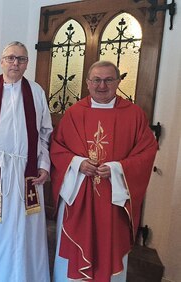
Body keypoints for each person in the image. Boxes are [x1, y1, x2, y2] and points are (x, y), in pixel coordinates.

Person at [51, 60, 158, 281]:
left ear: (118, 81)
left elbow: (147, 152)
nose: (102, 85)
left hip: (113, 200)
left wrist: (118, 168)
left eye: (109, 80)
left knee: (109, 247)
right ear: (88, 83)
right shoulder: (73, 113)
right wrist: (77, 163)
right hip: (78, 195)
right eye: (96, 80)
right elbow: (57, 148)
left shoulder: (134, 115)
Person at [0, 41, 53, 282]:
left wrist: (44, 164)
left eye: (21, 59)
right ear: (2, 61)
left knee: (25, 232)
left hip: (28, 172)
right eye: (11, 58)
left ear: (27, 63)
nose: (15, 63)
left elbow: (45, 132)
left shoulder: (36, 92)